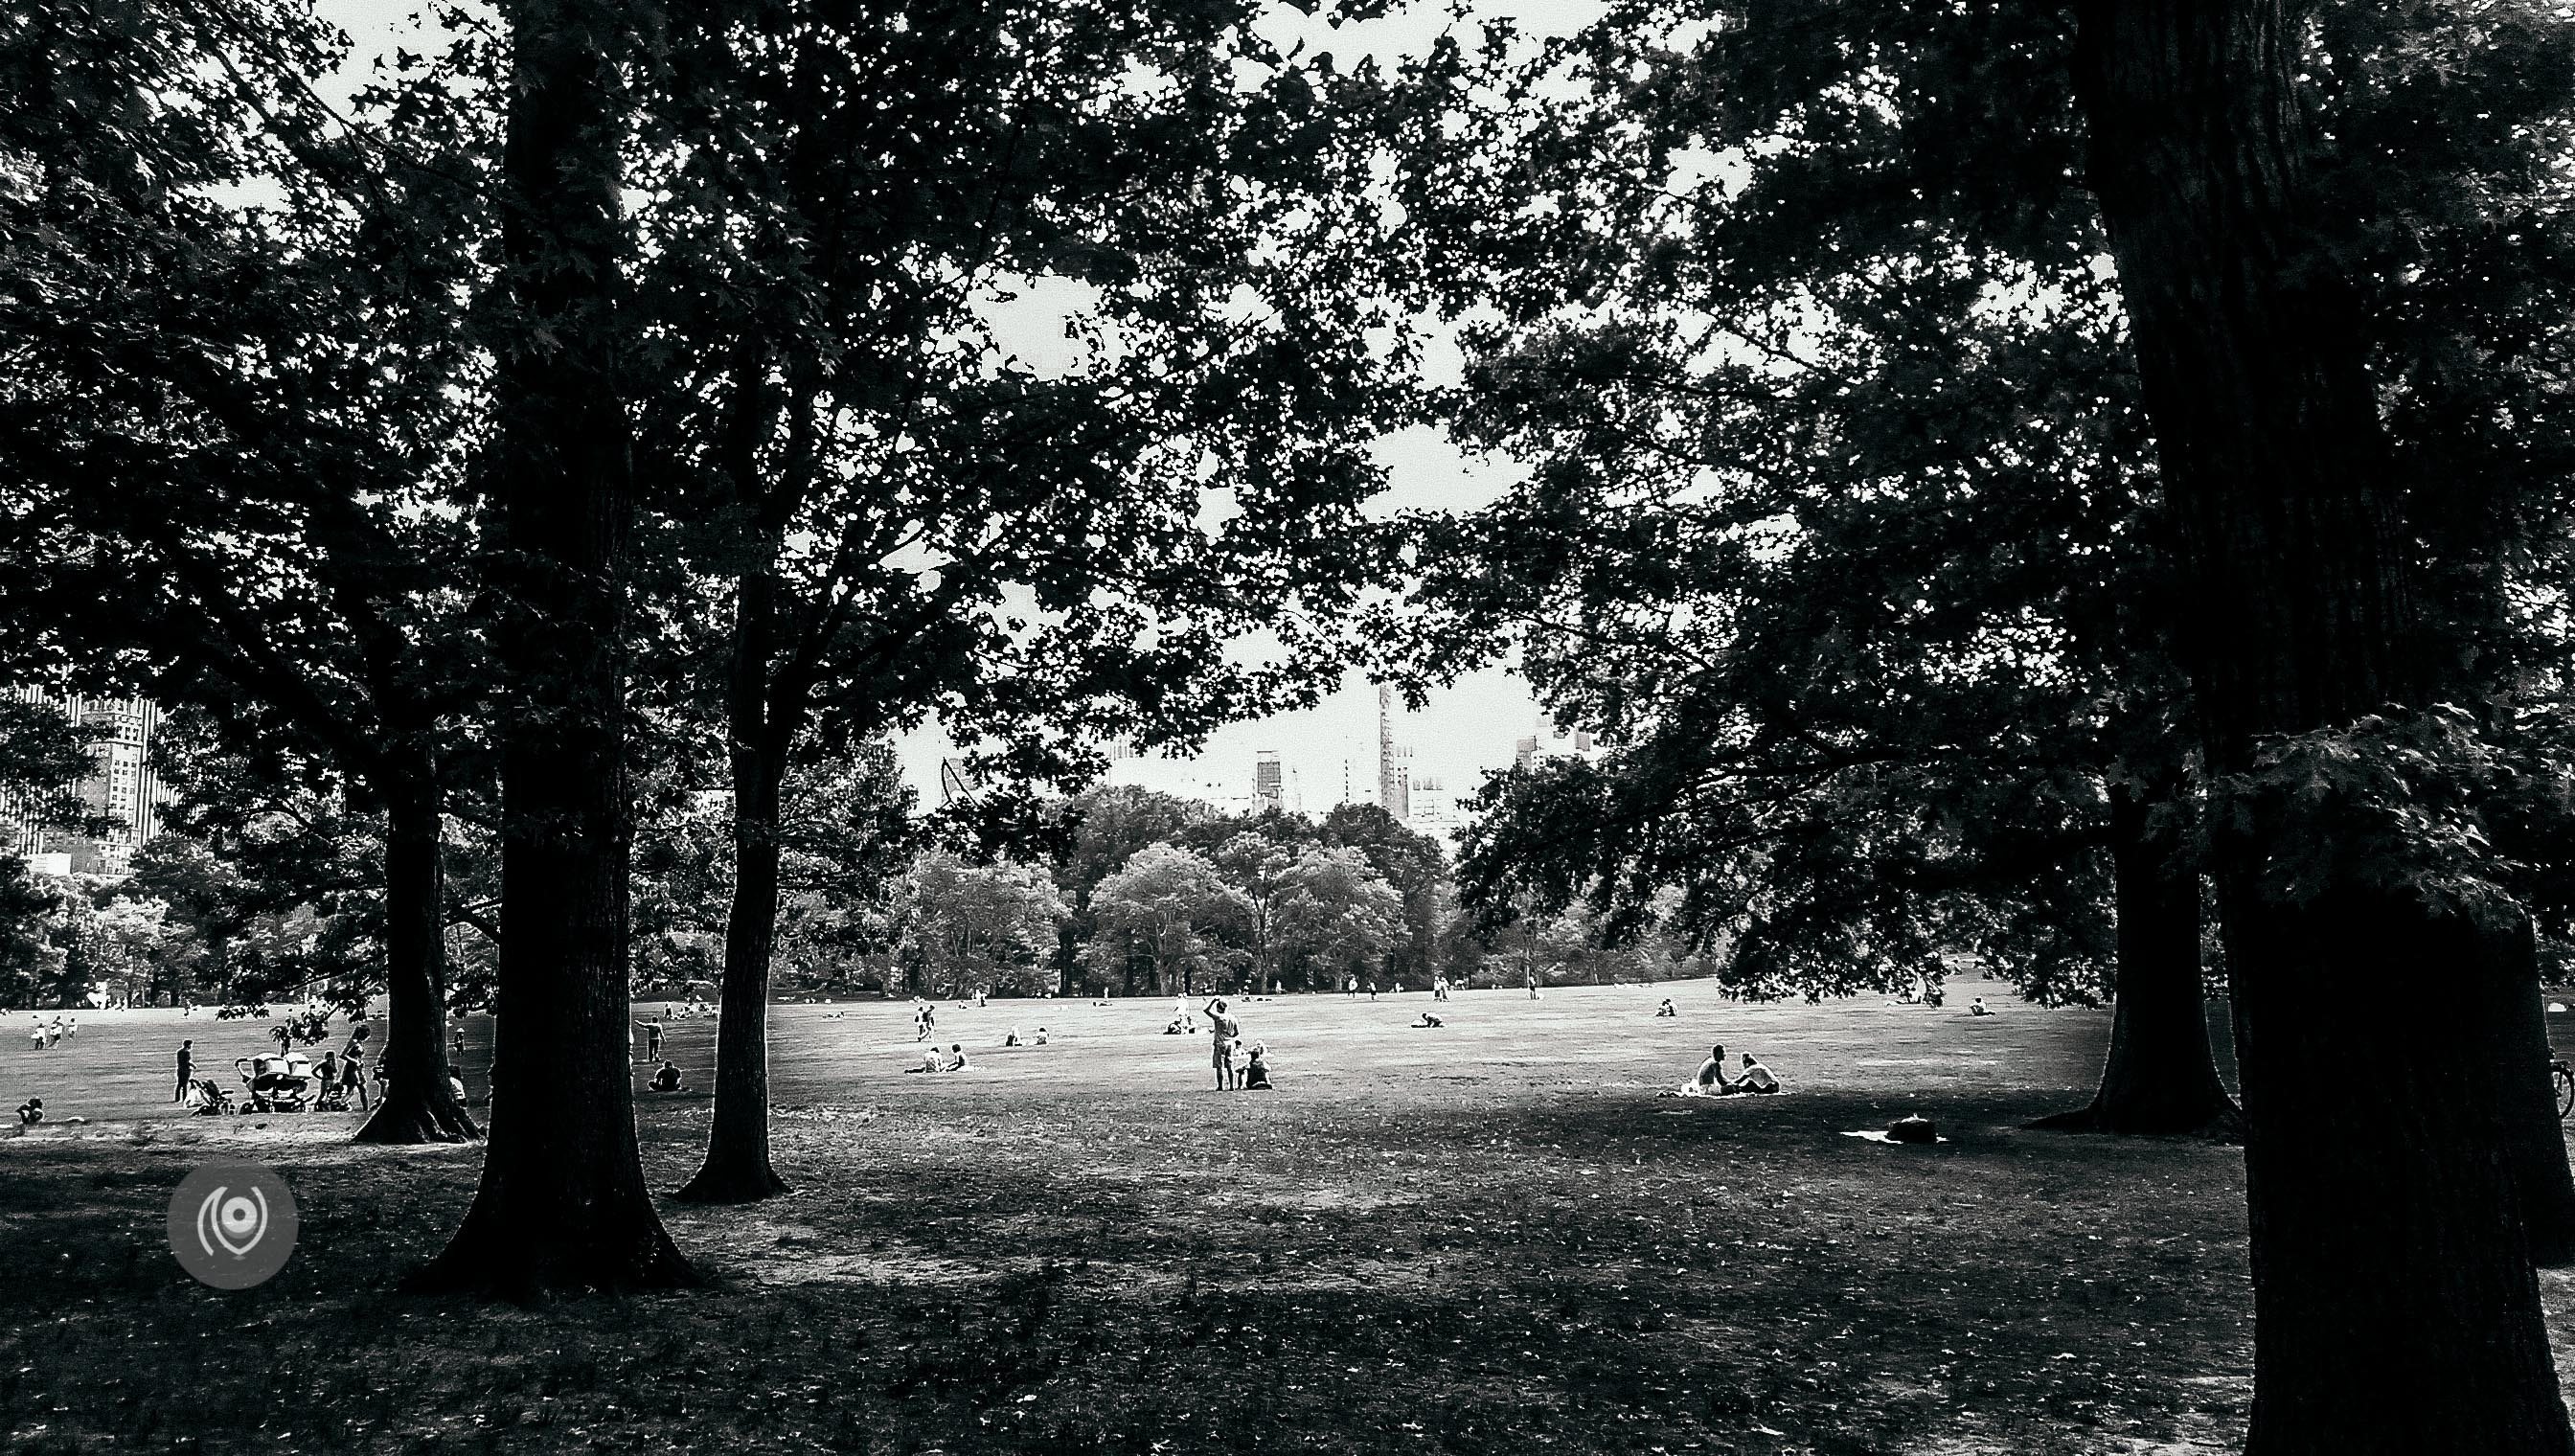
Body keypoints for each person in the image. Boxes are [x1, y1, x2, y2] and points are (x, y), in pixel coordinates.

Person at [1204, 999, 1241, 1089]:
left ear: (1219, 1008)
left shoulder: (1219, 1017)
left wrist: (1212, 1001)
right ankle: (1232, 1086)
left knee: (1219, 1066)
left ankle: (1220, 1086)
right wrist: (1229, 1036)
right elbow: (1236, 1033)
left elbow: (1206, 1010)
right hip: (1229, 1043)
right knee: (1229, 1065)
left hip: (1220, 1043)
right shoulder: (1233, 1018)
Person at [174, 1039, 194, 1103]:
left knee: (179, 1084)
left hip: (179, 1069)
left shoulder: (179, 1051)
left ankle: (177, 1098)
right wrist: (193, 1065)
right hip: (185, 1070)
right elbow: (187, 1062)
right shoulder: (187, 1052)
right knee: (185, 1085)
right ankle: (184, 1098)